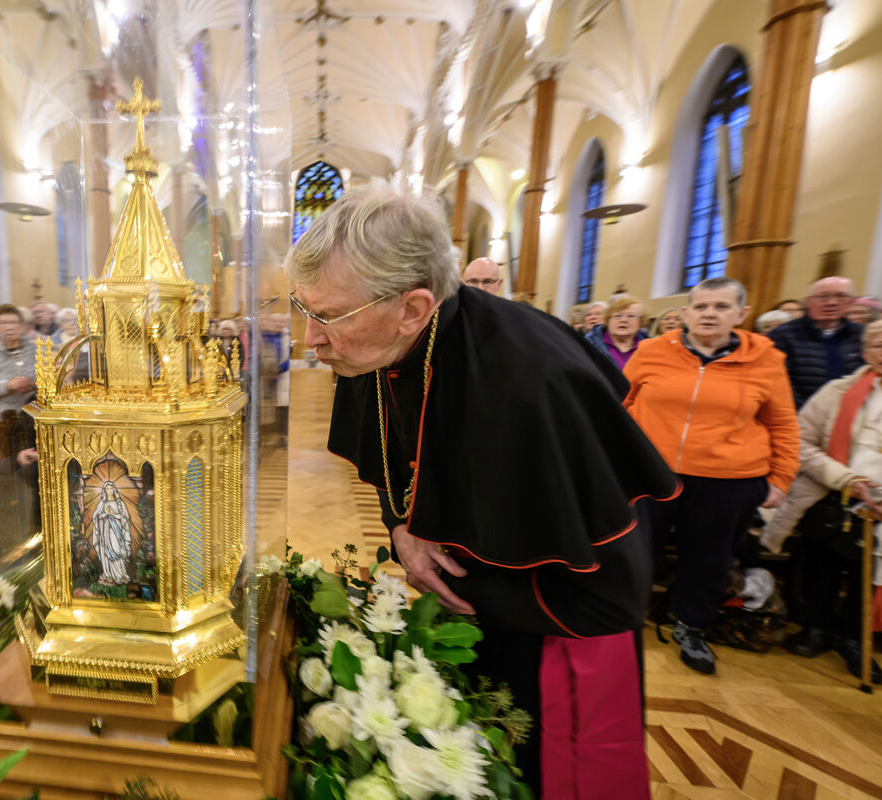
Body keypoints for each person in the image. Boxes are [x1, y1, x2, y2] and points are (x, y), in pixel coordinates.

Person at [286, 185, 678, 797]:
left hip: (556, 627)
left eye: (327, 315)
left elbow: (610, 591)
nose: (309, 338)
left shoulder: (533, 384)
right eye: (301, 308)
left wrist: (476, 598)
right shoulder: (375, 345)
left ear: (413, 309)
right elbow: (397, 466)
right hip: (465, 604)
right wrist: (402, 531)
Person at [623, 277, 800, 675]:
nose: (709, 314)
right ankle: (626, 618)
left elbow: (784, 424)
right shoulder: (652, 351)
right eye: (701, 306)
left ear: (741, 314)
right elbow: (620, 402)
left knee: (708, 558)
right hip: (651, 472)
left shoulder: (765, 359)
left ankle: (691, 626)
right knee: (634, 550)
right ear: (685, 313)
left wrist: (781, 479)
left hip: (729, 478)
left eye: (720, 307)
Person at [761, 319, 882, 682]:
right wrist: (847, 479)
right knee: (823, 566)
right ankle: (815, 628)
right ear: (864, 351)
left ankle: (854, 639)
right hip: (834, 495)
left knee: (869, 575)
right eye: (878, 344)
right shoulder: (837, 392)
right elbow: (800, 441)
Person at [769, 277, 865, 409]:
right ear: (808, 302)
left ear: (851, 302)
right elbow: (777, 381)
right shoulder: (782, 335)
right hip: (798, 414)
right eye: (822, 297)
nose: (831, 303)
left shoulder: (863, 335)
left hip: (850, 413)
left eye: (841, 296)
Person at [584, 295, 646, 369]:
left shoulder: (649, 347)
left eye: (631, 316)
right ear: (607, 320)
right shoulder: (589, 344)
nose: (623, 320)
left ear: (640, 322)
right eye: (617, 316)